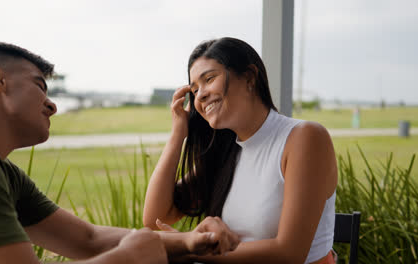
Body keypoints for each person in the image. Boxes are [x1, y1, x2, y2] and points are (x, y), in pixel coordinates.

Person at [0, 41, 239, 264]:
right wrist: (129, 258)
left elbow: (88, 239)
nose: (52, 105)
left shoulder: (2, 173)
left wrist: (188, 242)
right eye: (39, 86)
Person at [143, 37, 338, 264]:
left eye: (209, 79)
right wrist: (178, 134)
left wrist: (190, 248)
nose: (201, 95)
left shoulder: (304, 138)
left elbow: (289, 254)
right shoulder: (226, 153)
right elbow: (155, 217)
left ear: (249, 77)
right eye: (194, 90)